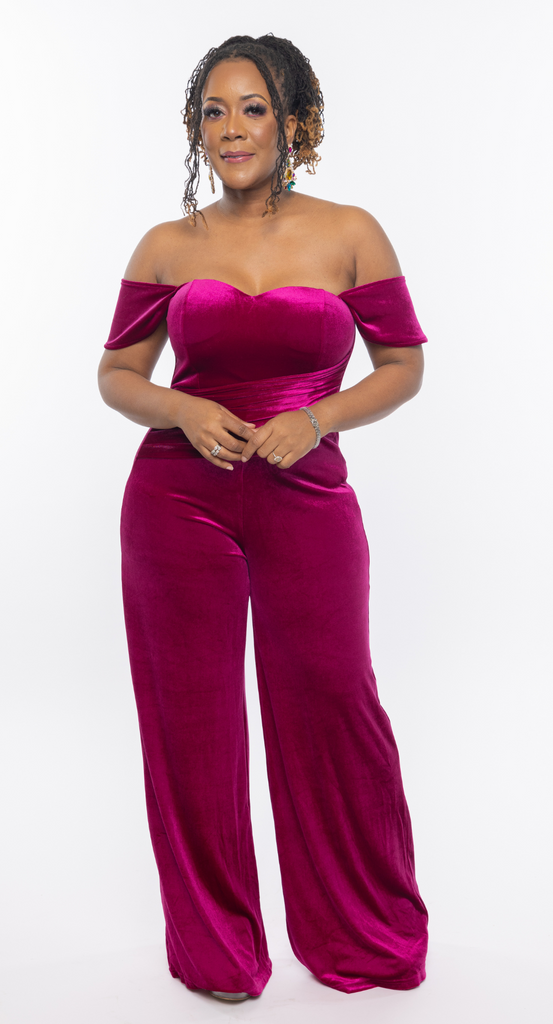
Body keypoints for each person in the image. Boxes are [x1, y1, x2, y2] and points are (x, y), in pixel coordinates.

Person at [98, 33, 429, 1004]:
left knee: (332, 698)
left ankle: (365, 936)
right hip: (176, 499)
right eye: (214, 111)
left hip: (306, 493)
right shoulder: (167, 245)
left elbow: (403, 365)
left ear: (294, 123)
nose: (231, 129)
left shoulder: (350, 232)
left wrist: (317, 418)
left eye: (252, 109)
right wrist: (182, 407)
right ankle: (218, 954)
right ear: (195, 128)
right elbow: (116, 374)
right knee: (190, 722)